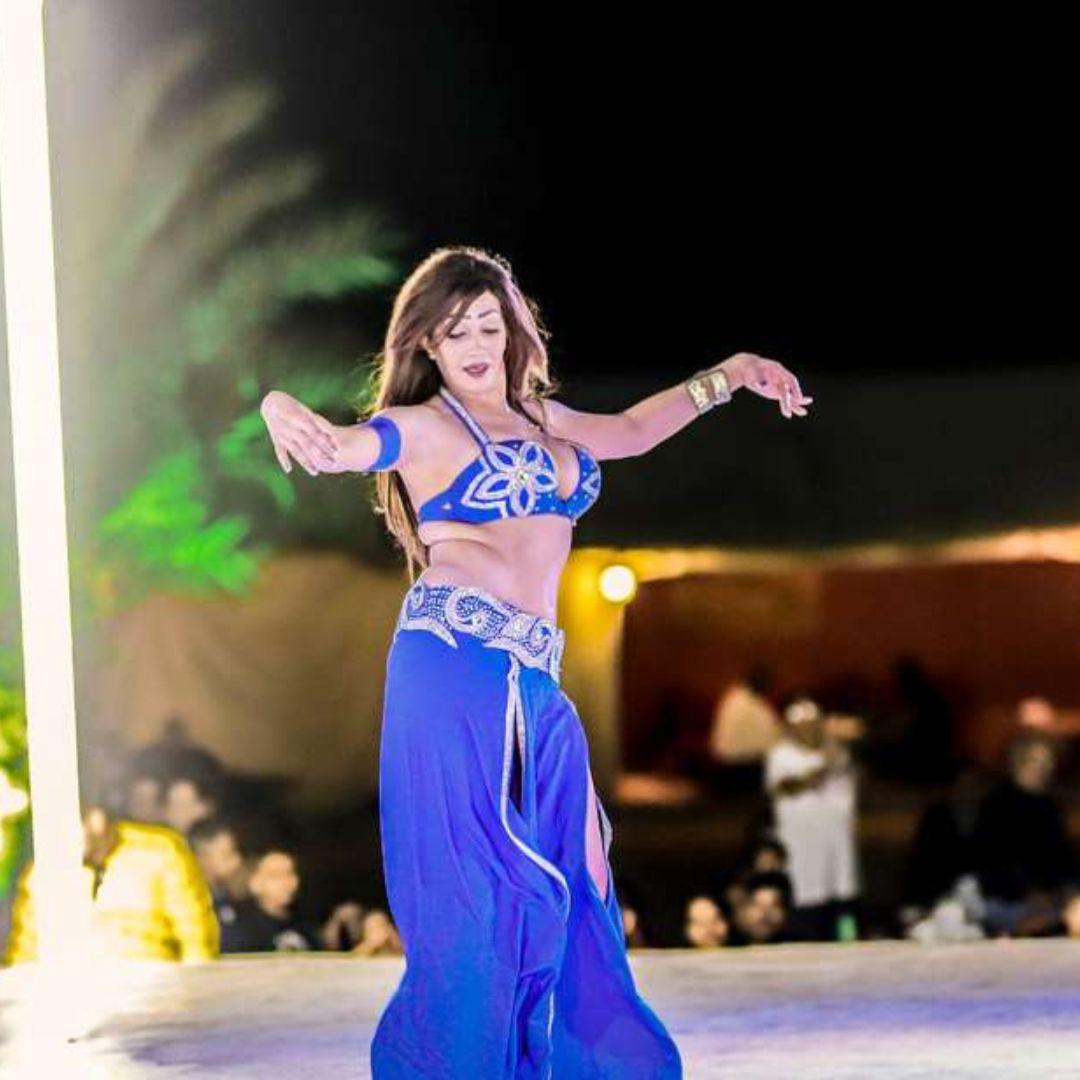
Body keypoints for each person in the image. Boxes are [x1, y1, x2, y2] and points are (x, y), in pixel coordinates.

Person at [259, 245, 811, 1077]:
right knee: (485, 882)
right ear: (428, 345)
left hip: (534, 671)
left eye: (488, 324)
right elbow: (344, 447)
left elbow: (633, 431)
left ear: (513, 329)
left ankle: (569, 1060)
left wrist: (730, 374)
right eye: (454, 331)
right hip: (456, 658)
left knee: (583, 861)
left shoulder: (547, 421)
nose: (475, 344)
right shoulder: (425, 426)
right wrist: (276, 405)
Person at [4, 804, 219, 964]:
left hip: (156, 995)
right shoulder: (43, 870)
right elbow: (24, 951)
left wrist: (194, 1002)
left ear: (96, 819)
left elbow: (197, 939)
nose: (57, 838)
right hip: (72, 996)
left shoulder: (159, 851)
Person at [764, 696, 860, 941]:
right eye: (802, 726)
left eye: (813, 724)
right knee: (805, 902)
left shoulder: (836, 752)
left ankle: (848, 941)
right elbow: (785, 786)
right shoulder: (781, 755)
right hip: (800, 847)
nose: (808, 730)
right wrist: (817, 772)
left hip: (836, 845)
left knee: (843, 910)